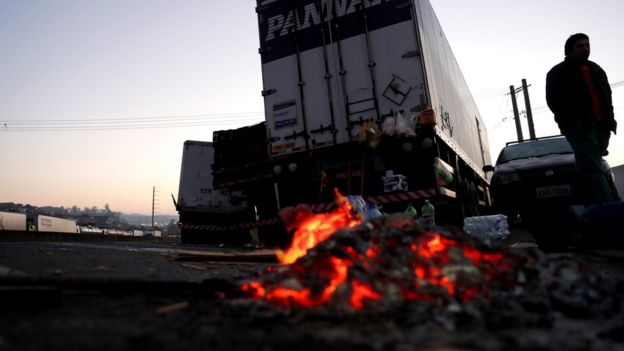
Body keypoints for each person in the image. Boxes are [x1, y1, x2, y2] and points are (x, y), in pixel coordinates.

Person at [546, 33, 618, 205]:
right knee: (593, 168)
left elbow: (607, 96)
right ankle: (611, 207)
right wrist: (573, 121)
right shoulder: (558, 72)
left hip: (602, 127)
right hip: (579, 128)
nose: (585, 48)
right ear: (569, 51)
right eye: (580, 46)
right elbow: (554, 101)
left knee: (587, 167)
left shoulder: (597, 69)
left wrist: (610, 120)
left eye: (587, 45)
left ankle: (576, 204)